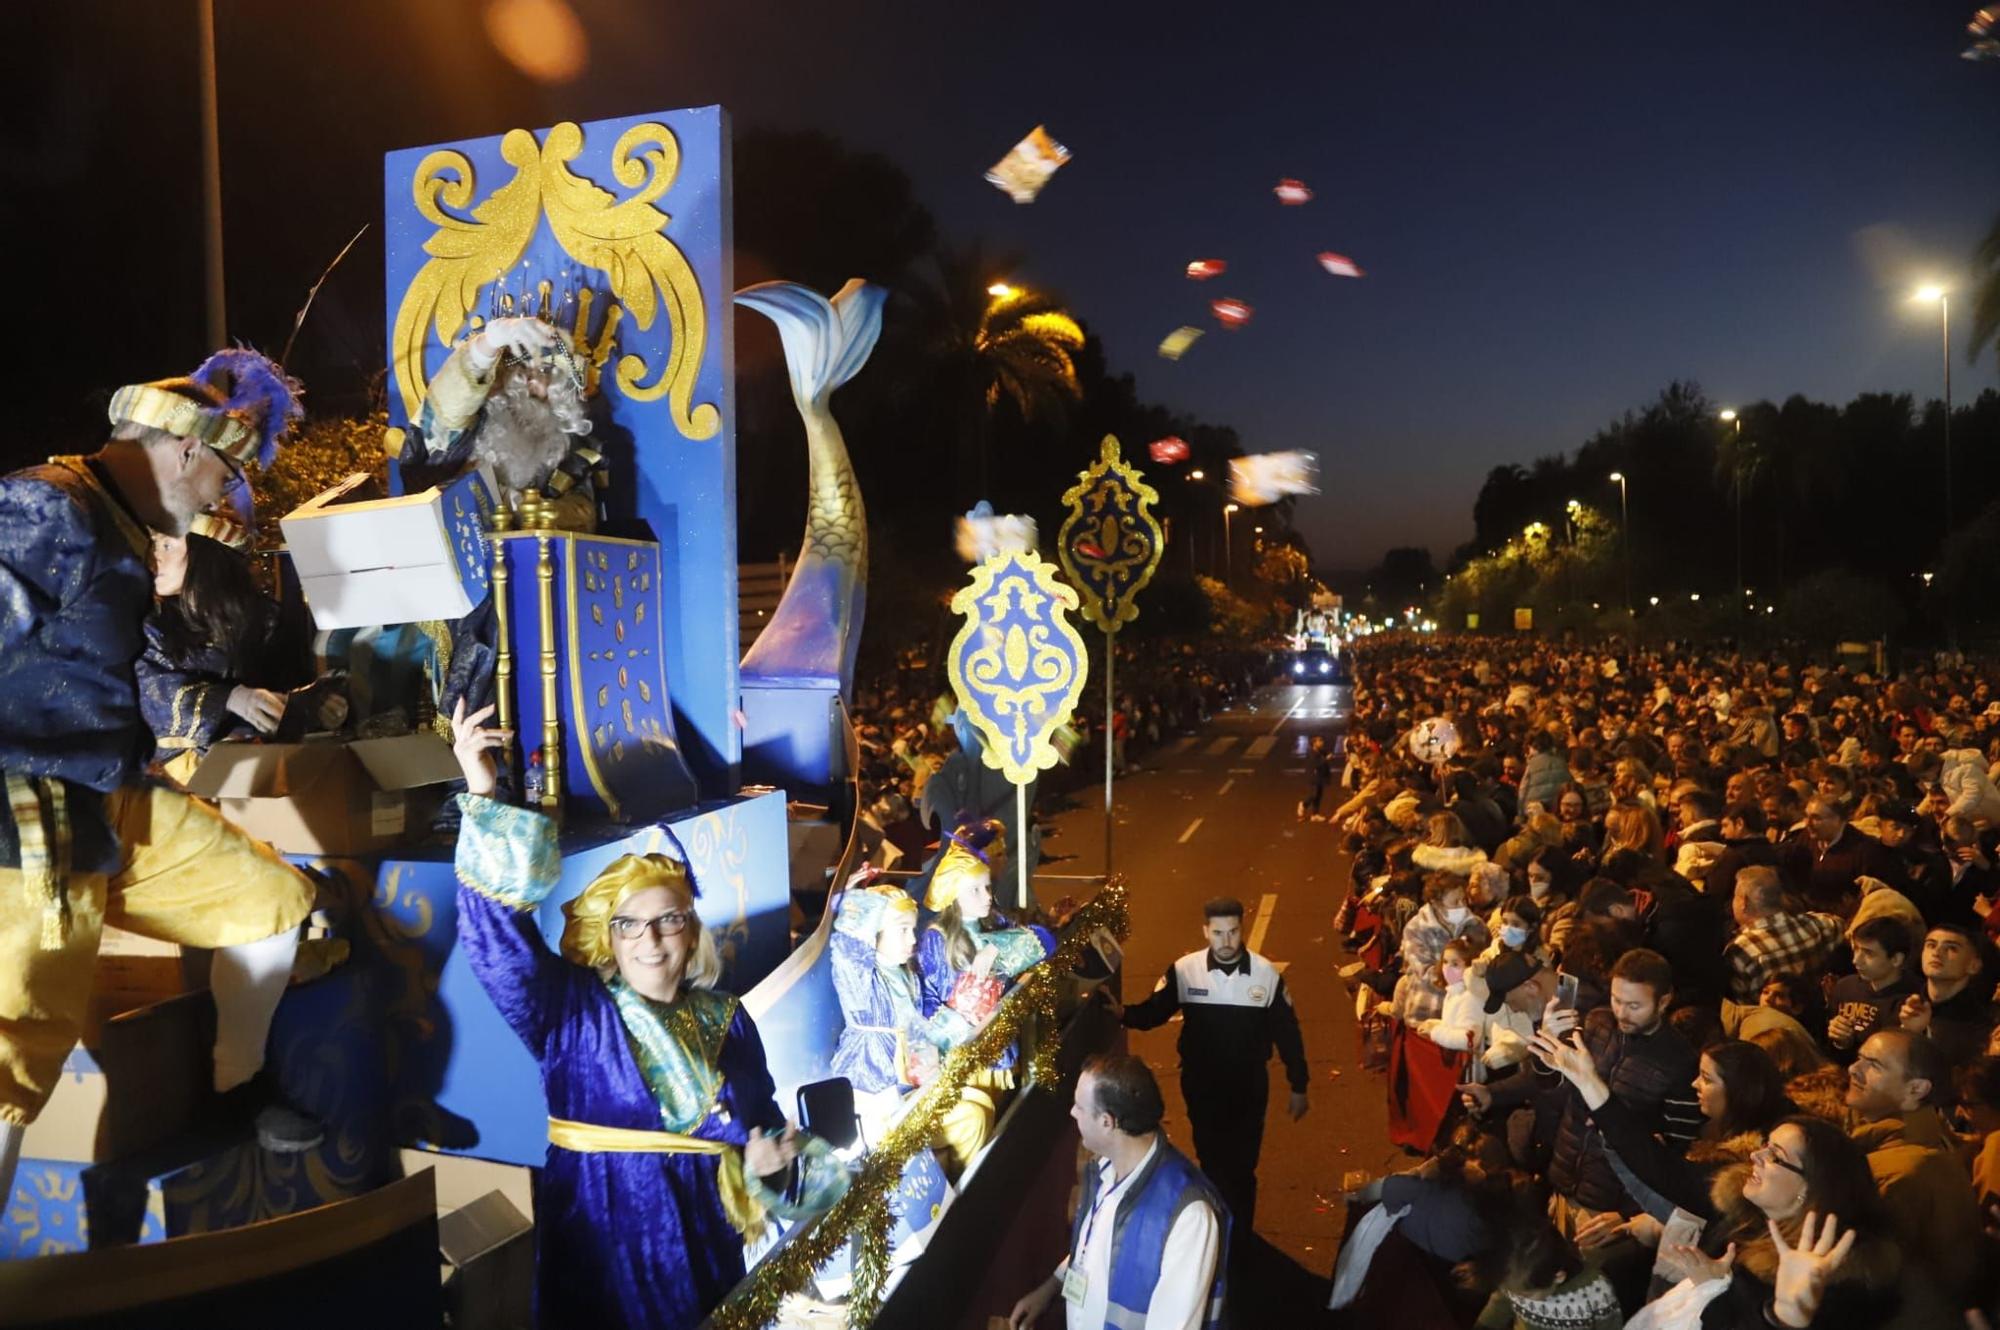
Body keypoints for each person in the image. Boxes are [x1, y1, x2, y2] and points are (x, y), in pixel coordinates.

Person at [0, 360, 325, 1207]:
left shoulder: (116, 525)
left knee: (270, 901)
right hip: (26, 810)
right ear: (185, 449)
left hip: (112, 796)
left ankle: (235, 1086)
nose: (226, 493)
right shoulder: (52, 507)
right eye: (228, 470)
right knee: (10, 1066)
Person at [447, 700, 847, 1330]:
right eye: (629, 924)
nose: (650, 938)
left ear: (691, 933)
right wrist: (482, 787)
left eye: (668, 919)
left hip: (702, 1241)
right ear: (611, 935)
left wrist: (771, 1162)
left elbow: (764, 1129)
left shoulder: (727, 1018)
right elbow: (495, 939)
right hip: (599, 1243)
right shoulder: (570, 1010)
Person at [1463, 949, 1699, 1230]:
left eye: (1634, 1006)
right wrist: (1546, 1043)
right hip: (1562, 1182)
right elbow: (1551, 1086)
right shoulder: (1597, 1022)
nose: (1621, 1013)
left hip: (1609, 1208)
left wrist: (1631, 1213)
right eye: (1616, 1000)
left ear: (1664, 1001)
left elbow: (1676, 1154)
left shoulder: (1680, 1062)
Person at [1114, 896, 1309, 1229]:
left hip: (1248, 1086)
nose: (1226, 941)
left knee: (1244, 1165)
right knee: (1211, 1158)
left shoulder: (1266, 976)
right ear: (1206, 931)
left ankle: (1242, 1235)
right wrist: (1123, 1014)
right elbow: (1155, 1012)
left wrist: (1298, 1085)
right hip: (1202, 1084)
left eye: (1233, 932)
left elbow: (1287, 1033)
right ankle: (1218, 1227)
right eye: (1218, 933)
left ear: (1241, 929)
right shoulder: (1184, 970)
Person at [1008, 1054, 1226, 1330]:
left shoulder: (1187, 1215)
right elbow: (1096, 1249)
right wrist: (1052, 1286)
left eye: (1080, 1107)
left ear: (1107, 1122)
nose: (1072, 1113)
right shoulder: (1103, 1170)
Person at [136, 523, 339, 782]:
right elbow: (149, 691)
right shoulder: (153, 626)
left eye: (167, 545)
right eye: (154, 545)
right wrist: (228, 699)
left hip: (267, 770)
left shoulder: (267, 620)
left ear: (207, 554)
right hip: (184, 780)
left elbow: (293, 684)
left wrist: (316, 702)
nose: (156, 556)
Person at [828, 874, 990, 1171]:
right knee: (971, 1118)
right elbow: (847, 948)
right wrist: (855, 901)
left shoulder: (905, 974)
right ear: (874, 931)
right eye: (902, 931)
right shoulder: (863, 981)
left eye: (912, 930)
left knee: (979, 1106)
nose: (913, 940)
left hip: (908, 1084)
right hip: (876, 1094)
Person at [1843, 1028, 1982, 1307]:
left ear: (1916, 1089)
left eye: (1874, 1065)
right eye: (1859, 1058)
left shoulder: (1900, 1171)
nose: (1853, 1068)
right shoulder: (1911, 1139)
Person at [1722, 866, 1845, 1006]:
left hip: (1773, 1024)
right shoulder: (1822, 924)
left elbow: (1744, 1009)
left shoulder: (1740, 950)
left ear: (1743, 902)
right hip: (1821, 1019)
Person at [1900, 921, 1996, 1069]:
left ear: (1974, 966)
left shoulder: (1981, 1028)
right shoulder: (1902, 1007)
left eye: (1951, 948)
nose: (1937, 953)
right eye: (1931, 945)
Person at [1824, 916, 1918, 1062]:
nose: (1856, 960)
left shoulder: (1912, 1000)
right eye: (1855, 949)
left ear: (1896, 959)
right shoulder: (1845, 987)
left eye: (1868, 953)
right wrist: (1839, 1040)